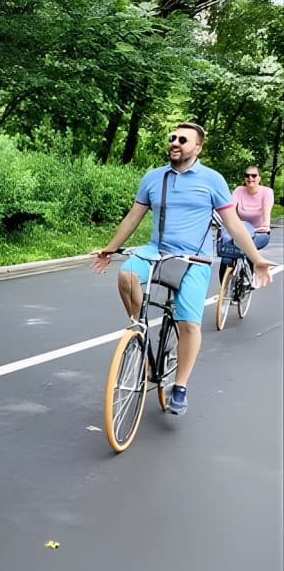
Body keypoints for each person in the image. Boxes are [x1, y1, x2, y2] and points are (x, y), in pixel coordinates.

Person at [92, 123, 274, 416]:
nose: (175, 142)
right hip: (156, 250)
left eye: (182, 139)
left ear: (198, 147)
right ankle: (139, 334)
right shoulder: (153, 178)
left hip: (194, 258)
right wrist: (110, 248)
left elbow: (233, 224)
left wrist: (256, 259)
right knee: (126, 275)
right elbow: (133, 217)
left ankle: (180, 386)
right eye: (172, 138)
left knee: (188, 323)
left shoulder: (212, 180)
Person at [217, 165, 273, 281]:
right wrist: (225, 223)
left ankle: (248, 280)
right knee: (227, 256)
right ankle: (224, 288)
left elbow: (266, 211)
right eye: (247, 175)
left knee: (248, 251)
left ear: (259, 178)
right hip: (240, 231)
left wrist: (266, 226)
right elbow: (230, 209)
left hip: (259, 232)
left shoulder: (267, 192)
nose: (250, 178)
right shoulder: (239, 190)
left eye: (254, 175)